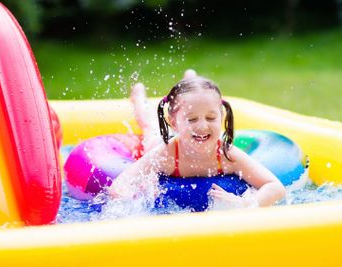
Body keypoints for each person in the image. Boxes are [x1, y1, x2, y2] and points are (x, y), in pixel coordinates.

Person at [110, 70, 286, 210]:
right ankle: (139, 97)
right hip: (158, 141)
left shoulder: (227, 154)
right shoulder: (165, 154)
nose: (202, 126)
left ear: (221, 117)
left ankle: (191, 79)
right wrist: (138, 196)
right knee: (150, 126)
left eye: (210, 118)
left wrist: (247, 204)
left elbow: (274, 186)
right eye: (192, 119)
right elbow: (119, 186)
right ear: (174, 123)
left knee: (195, 93)